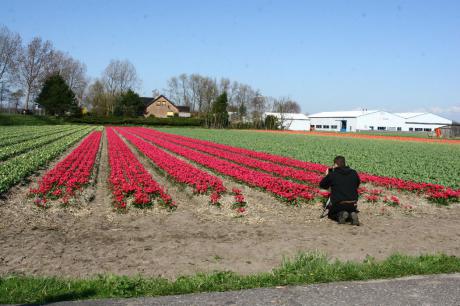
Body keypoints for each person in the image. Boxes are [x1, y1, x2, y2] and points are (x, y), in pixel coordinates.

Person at [319, 156, 361, 225]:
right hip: (353, 204)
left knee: (331, 214)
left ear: (335, 164)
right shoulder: (354, 172)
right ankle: (351, 214)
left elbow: (322, 185)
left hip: (339, 204)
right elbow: (357, 185)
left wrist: (327, 175)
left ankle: (341, 214)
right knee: (349, 210)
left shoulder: (333, 174)